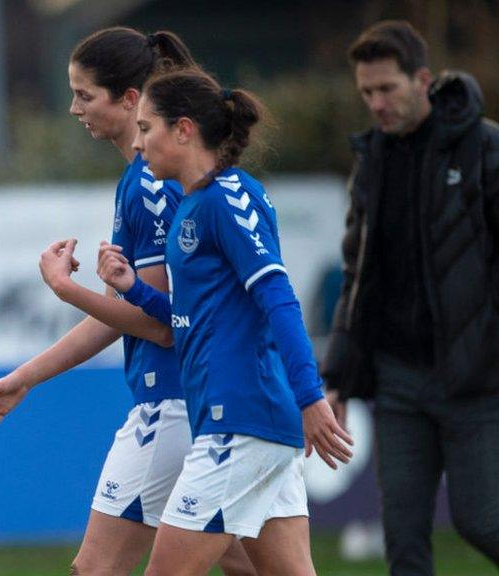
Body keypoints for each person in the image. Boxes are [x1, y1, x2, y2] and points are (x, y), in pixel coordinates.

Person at [0, 28, 253, 576]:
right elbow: (127, 317)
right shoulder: (157, 177)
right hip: (212, 402)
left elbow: (159, 324)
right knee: (254, 567)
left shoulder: (151, 181)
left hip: (172, 403)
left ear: (129, 98)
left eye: (85, 94)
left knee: (95, 570)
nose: (74, 108)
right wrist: (25, 377)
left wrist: (64, 288)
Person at [96, 67, 352, 576]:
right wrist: (134, 290)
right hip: (241, 423)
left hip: (242, 423)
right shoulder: (193, 207)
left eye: (147, 128)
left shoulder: (231, 198)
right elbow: (190, 320)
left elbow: (279, 299)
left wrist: (310, 395)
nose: (139, 143)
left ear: (184, 129)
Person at [321, 20, 499, 574]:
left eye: (387, 89)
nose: (376, 103)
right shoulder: (371, 159)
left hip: (477, 379)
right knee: (403, 540)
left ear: (422, 80)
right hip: (398, 383)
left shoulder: (484, 148)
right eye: (366, 93)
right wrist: (338, 377)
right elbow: (357, 274)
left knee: (482, 522)